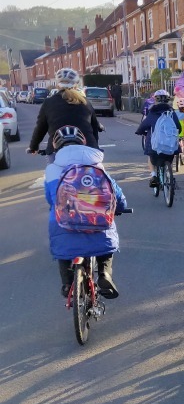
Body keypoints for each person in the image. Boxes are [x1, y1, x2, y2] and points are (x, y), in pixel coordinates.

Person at [44, 125, 127, 299]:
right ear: (83, 142)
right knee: (105, 244)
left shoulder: (52, 169)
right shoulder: (97, 164)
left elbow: (51, 199)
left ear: (57, 146)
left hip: (65, 225)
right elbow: (114, 192)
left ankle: (67, 284)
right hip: (98, 224)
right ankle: (105, 274)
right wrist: (120, 206)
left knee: (65, 250)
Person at [28, 68, 104, 162]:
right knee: (96, 174)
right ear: (76, 85)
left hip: (57, 151)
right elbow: (94, 127)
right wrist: (94, 146)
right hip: (87, 150)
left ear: (57, 85)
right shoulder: (85, 102)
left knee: (53, 174)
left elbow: (40, 128)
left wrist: (33, 147)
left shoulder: (49, 102)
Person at [135, 89, 181, 187]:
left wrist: (140, 132)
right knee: (170, 156)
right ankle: (169, 174)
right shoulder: (172, 113)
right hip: (170, 144)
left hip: (154, 146)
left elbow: (143, 125)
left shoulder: (152, 112)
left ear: (155, 100)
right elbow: (178, 127)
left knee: (150, 156)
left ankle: (153, 176)